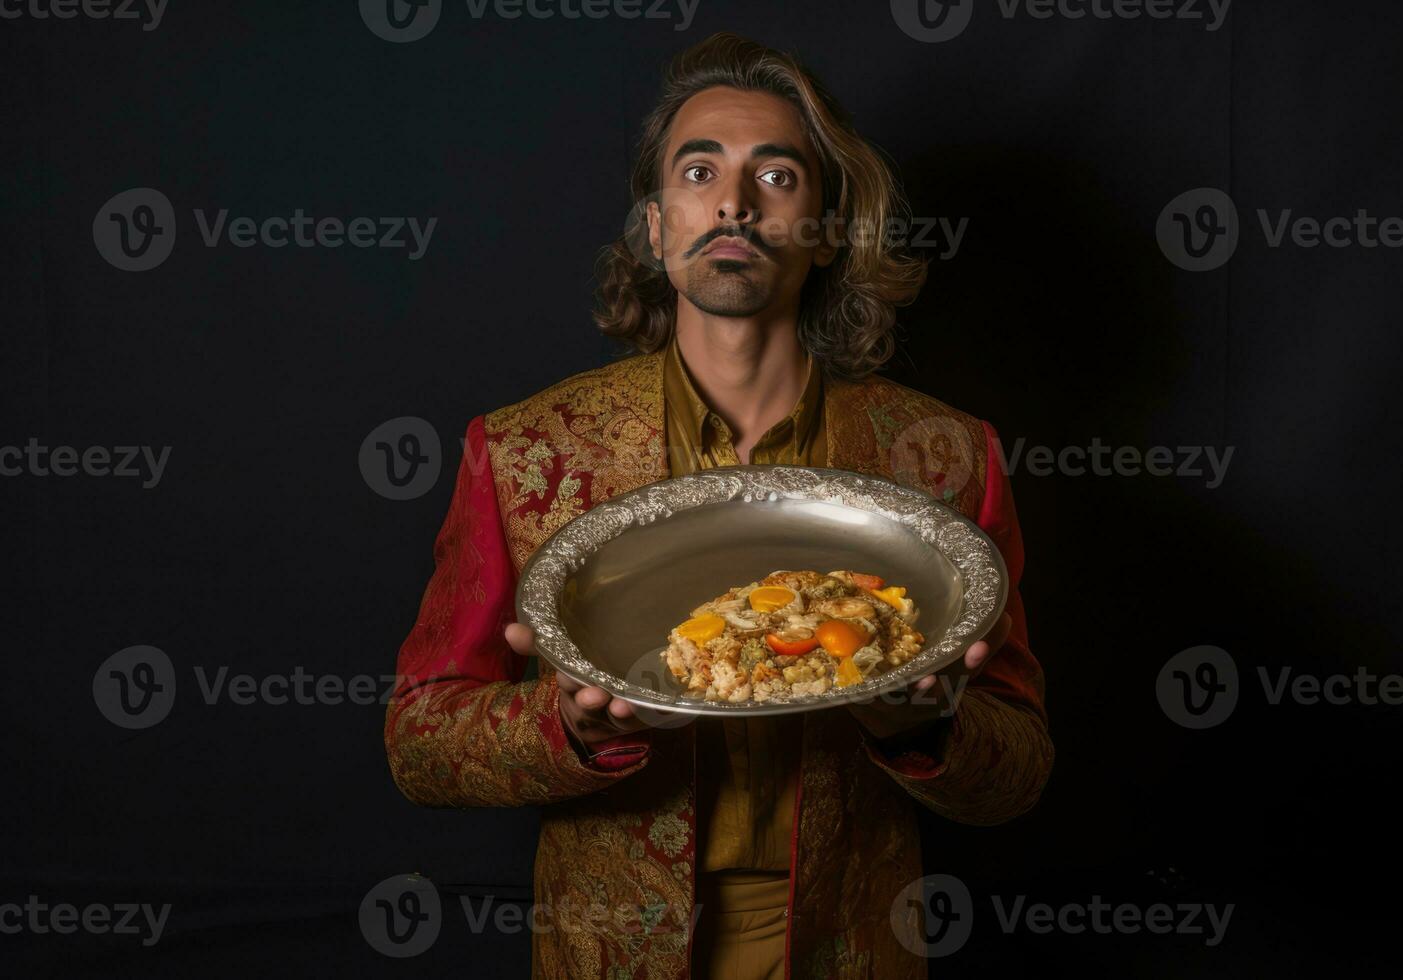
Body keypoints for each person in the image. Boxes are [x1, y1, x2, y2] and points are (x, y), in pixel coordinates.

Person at [384, 32, 1053, 979]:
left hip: (854, 948)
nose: (733, 201)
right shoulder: (529, 452)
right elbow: (419, 742)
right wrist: (569, 729)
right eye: (699, 171)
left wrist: (929, 730)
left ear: (826, 228)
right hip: (613, 951)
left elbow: (1020, 768)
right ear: (655, 228)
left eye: (776, 176)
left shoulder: (944, 457)